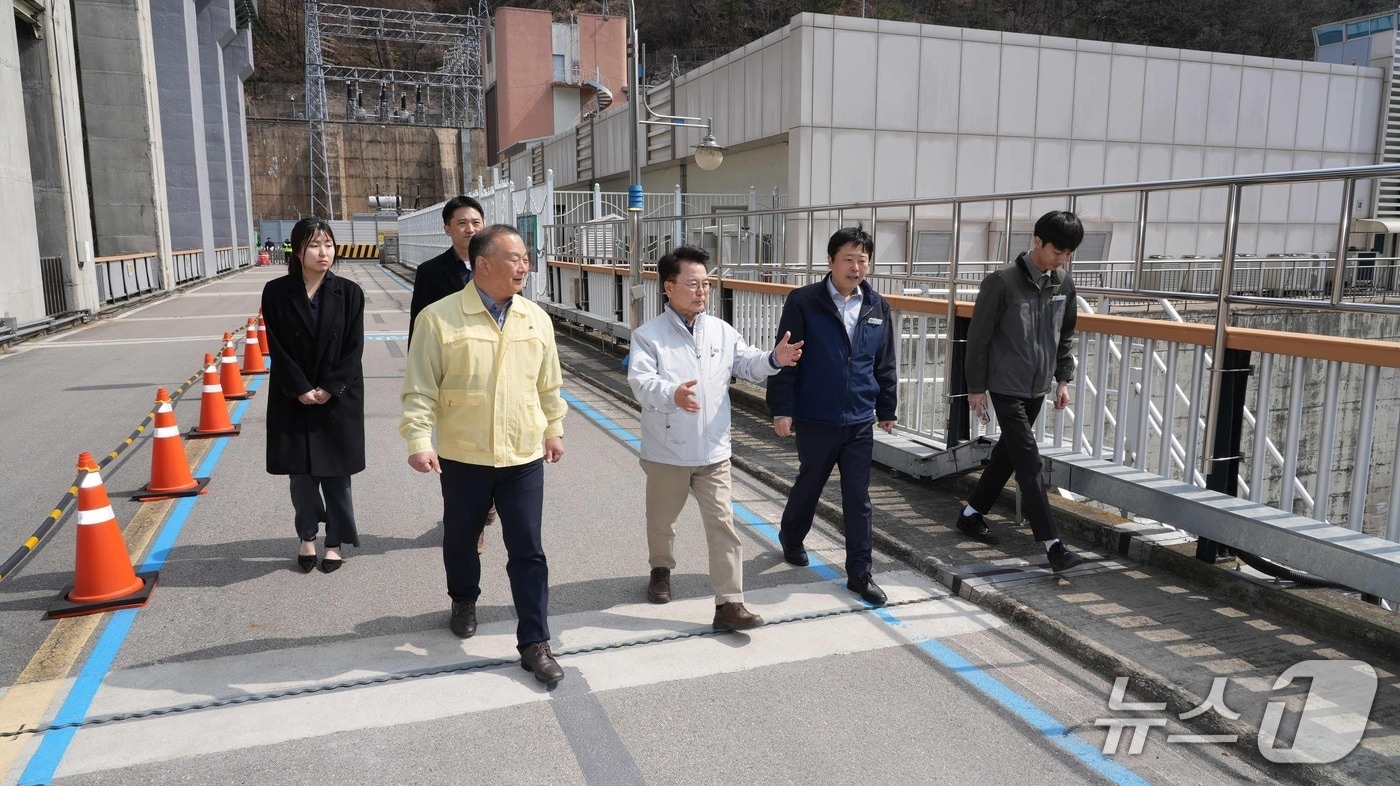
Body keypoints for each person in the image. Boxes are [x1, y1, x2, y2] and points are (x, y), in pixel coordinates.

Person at [400, 224, 568, 685]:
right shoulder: (439, 319)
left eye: (526, 257)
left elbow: (548, 384)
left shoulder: (536, 318)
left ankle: (535, 643)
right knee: (460, 537)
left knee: (528, 550)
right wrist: (419, 440)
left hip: (521, 455)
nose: (525, 265)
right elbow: (419, 389)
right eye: (515, 257)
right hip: (464, 455)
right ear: (483, 263)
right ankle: (463, 597)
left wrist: (554, 429)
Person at [628, 246, 804, 631]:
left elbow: (747, 363)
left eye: (706, 284)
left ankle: (729, 603)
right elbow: (641, 383)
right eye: (693, 284)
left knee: (724, 525)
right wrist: (671, 394)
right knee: (662, 522)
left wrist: (774, 358)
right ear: (669, 287)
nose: (702, 291)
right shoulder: (649, 336)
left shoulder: (721, 331)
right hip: (667, 452)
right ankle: (661, 568)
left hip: (713, 450)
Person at [766, 226, 897, 605]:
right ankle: (792, 535)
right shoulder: (804, 301)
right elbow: (786, 357)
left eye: (863, 260)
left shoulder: (877, 306)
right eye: (848, 259)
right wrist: (782, 409)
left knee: (858, 498)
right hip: (815, 415)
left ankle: (860, 573)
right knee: (811, 482)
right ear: (831, 262)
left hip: (858, 418)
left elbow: (884, 361)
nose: (856, 267)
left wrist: (886, 406)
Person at [955, 210, 1085, 574]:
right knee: (1029, 461)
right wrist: (976, 387)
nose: (1062, 259)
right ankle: (1053, 545)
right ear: (1037, 242)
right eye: (1058, 251)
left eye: (1068, 253)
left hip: (1038, 386)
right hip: (1005, 386)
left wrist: (1063, 379)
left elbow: (1065, 336)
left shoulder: (1064, 283)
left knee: (1007, 456)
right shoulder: (1001, 282)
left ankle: (971, 514)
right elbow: (978, 338)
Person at [260, 218, 366, 574]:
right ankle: (307, 535)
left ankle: (334, 541)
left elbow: (353, 348)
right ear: (298, 249)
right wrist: (301, 388)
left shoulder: (349, 292)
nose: (324, 253)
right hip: (294, 397)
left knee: (338, 477)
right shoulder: (276, 292)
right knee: (301, 478)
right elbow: (277, 345)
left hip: (338, 397)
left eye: (328, 245)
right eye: (315, 245)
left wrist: (329, 388)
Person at [406, 195, 497, 553]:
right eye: (461, 223)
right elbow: (419, 322)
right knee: (459, 451)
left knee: (494, 444)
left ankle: (486, 502)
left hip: (493, 372)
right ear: (447, 229)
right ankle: (471, 521)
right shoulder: (432, 272)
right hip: (452, 376)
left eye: (475, 222)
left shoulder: (496, 265)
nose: (469, 229)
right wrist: (420, 369)